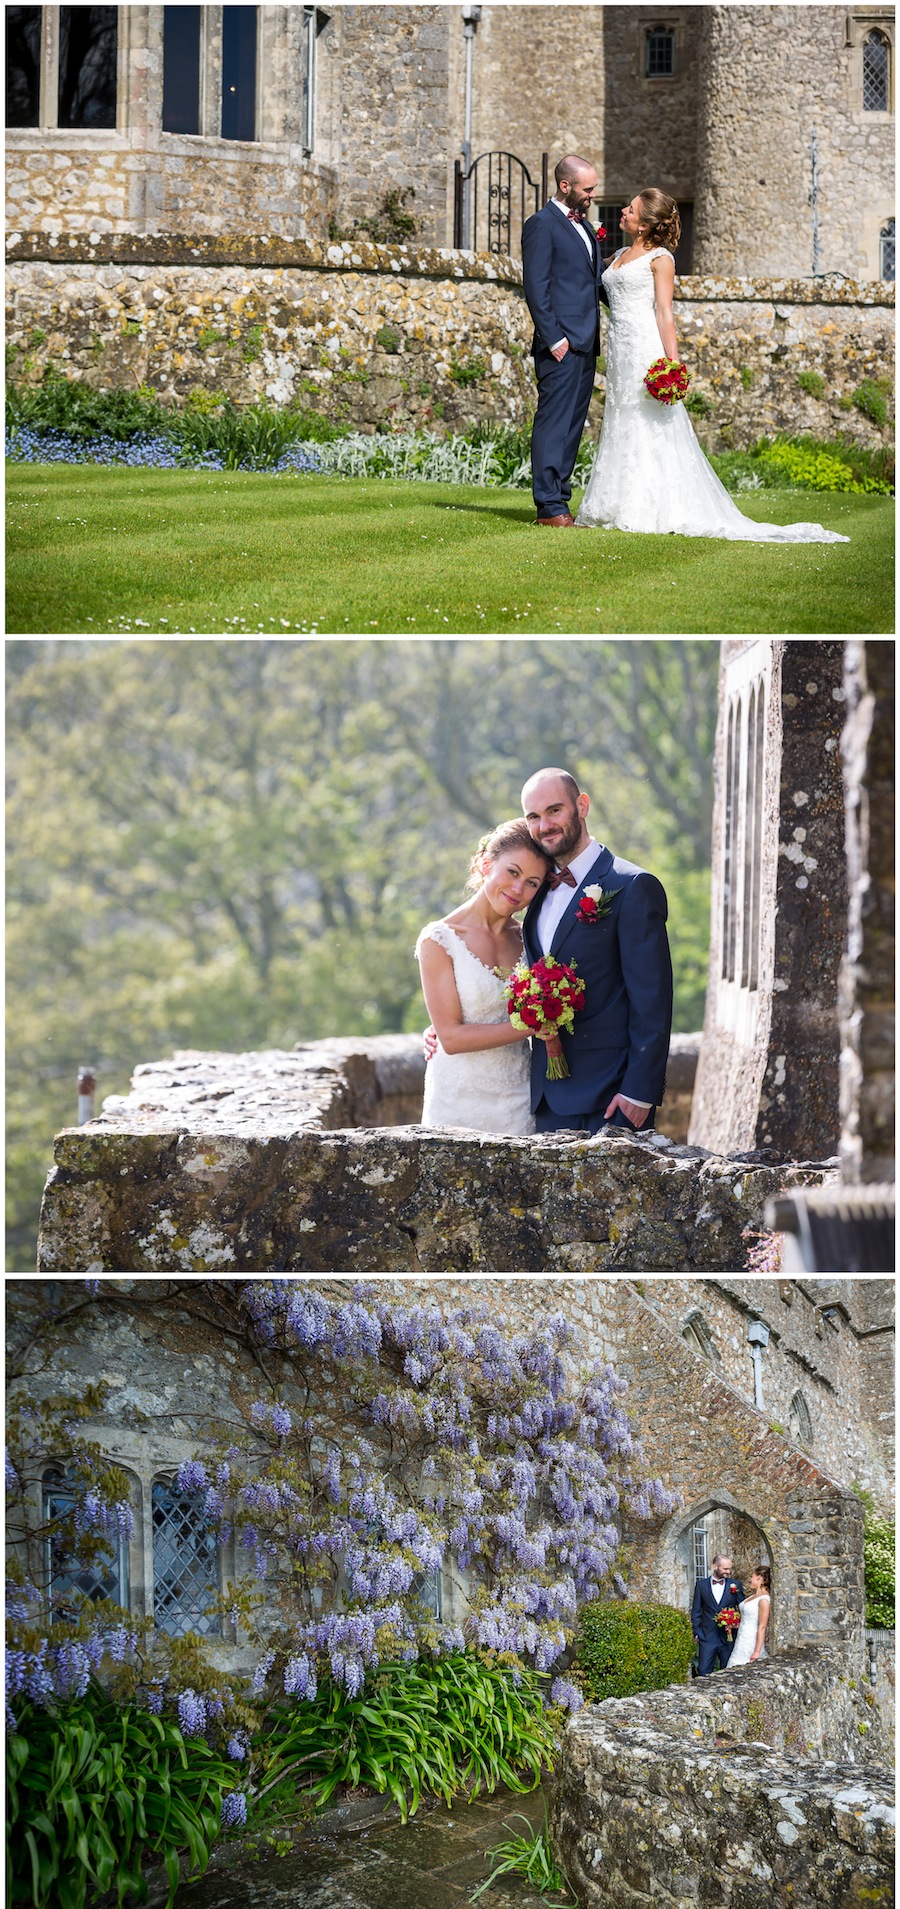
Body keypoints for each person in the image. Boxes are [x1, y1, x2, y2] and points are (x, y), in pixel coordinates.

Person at [575, 187, 849, 545]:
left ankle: (646, 507)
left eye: (630, 209)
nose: (623, 211)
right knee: (620, 418)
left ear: (644, 224)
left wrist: (671, 364)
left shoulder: (661, 259)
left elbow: (663, 312)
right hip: (619, 350)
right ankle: (613, 502)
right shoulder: (620, 255)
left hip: (644, 348)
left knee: (649, 421)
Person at [520, 767, 672, 1133]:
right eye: (534, 817)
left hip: (610, 1098)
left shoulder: (632, 886)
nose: (545, 826)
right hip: (545, 1097)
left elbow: (652, 998)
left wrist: (640, 1093)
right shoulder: (534, 891)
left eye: (554, 810)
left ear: (582, 805)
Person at [415, 819, 554, 1134]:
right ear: (485, 864)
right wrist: (530, 1026)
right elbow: (450, 1038)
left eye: (533, 882)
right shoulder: (439, 939)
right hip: (457, 1102)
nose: (518, 890)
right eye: (512, 872)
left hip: (519, 1099)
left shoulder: (531, 938)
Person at [521, 154, 607, 528]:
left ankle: (561, 502)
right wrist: (554, 337)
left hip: (587, 342)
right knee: (553, 423)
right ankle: (548, 507)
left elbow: (594, 280)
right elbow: (536, 287)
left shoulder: (585, 228)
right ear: (565, 186)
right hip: (561, 344)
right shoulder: (541, 225)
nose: (592, 195)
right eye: (587, 189)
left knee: (573, 426)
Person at [691, 1553, 746, 1675]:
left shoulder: (735, 1585)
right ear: (715, 1567)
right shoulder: (701, 1585)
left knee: (728, 1672)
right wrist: (698, 1632)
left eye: (729, 1569)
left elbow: (743, 1608)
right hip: (707, 1637)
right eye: (725, 1569)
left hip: (728, 1637)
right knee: (703, 1671)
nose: (728, 1572)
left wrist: (736, 1624)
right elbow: (696, 1611)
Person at [726, 1565, 772, 1668]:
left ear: (760, 1579)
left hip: (751, 1640)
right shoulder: (753, 1597)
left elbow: (762, 1627)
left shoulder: (764, 1600)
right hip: (741, 1638)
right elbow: (748, 1619)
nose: (750, 1580)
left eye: (752, 1576)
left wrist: (756, 1651)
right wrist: (734, 1625)